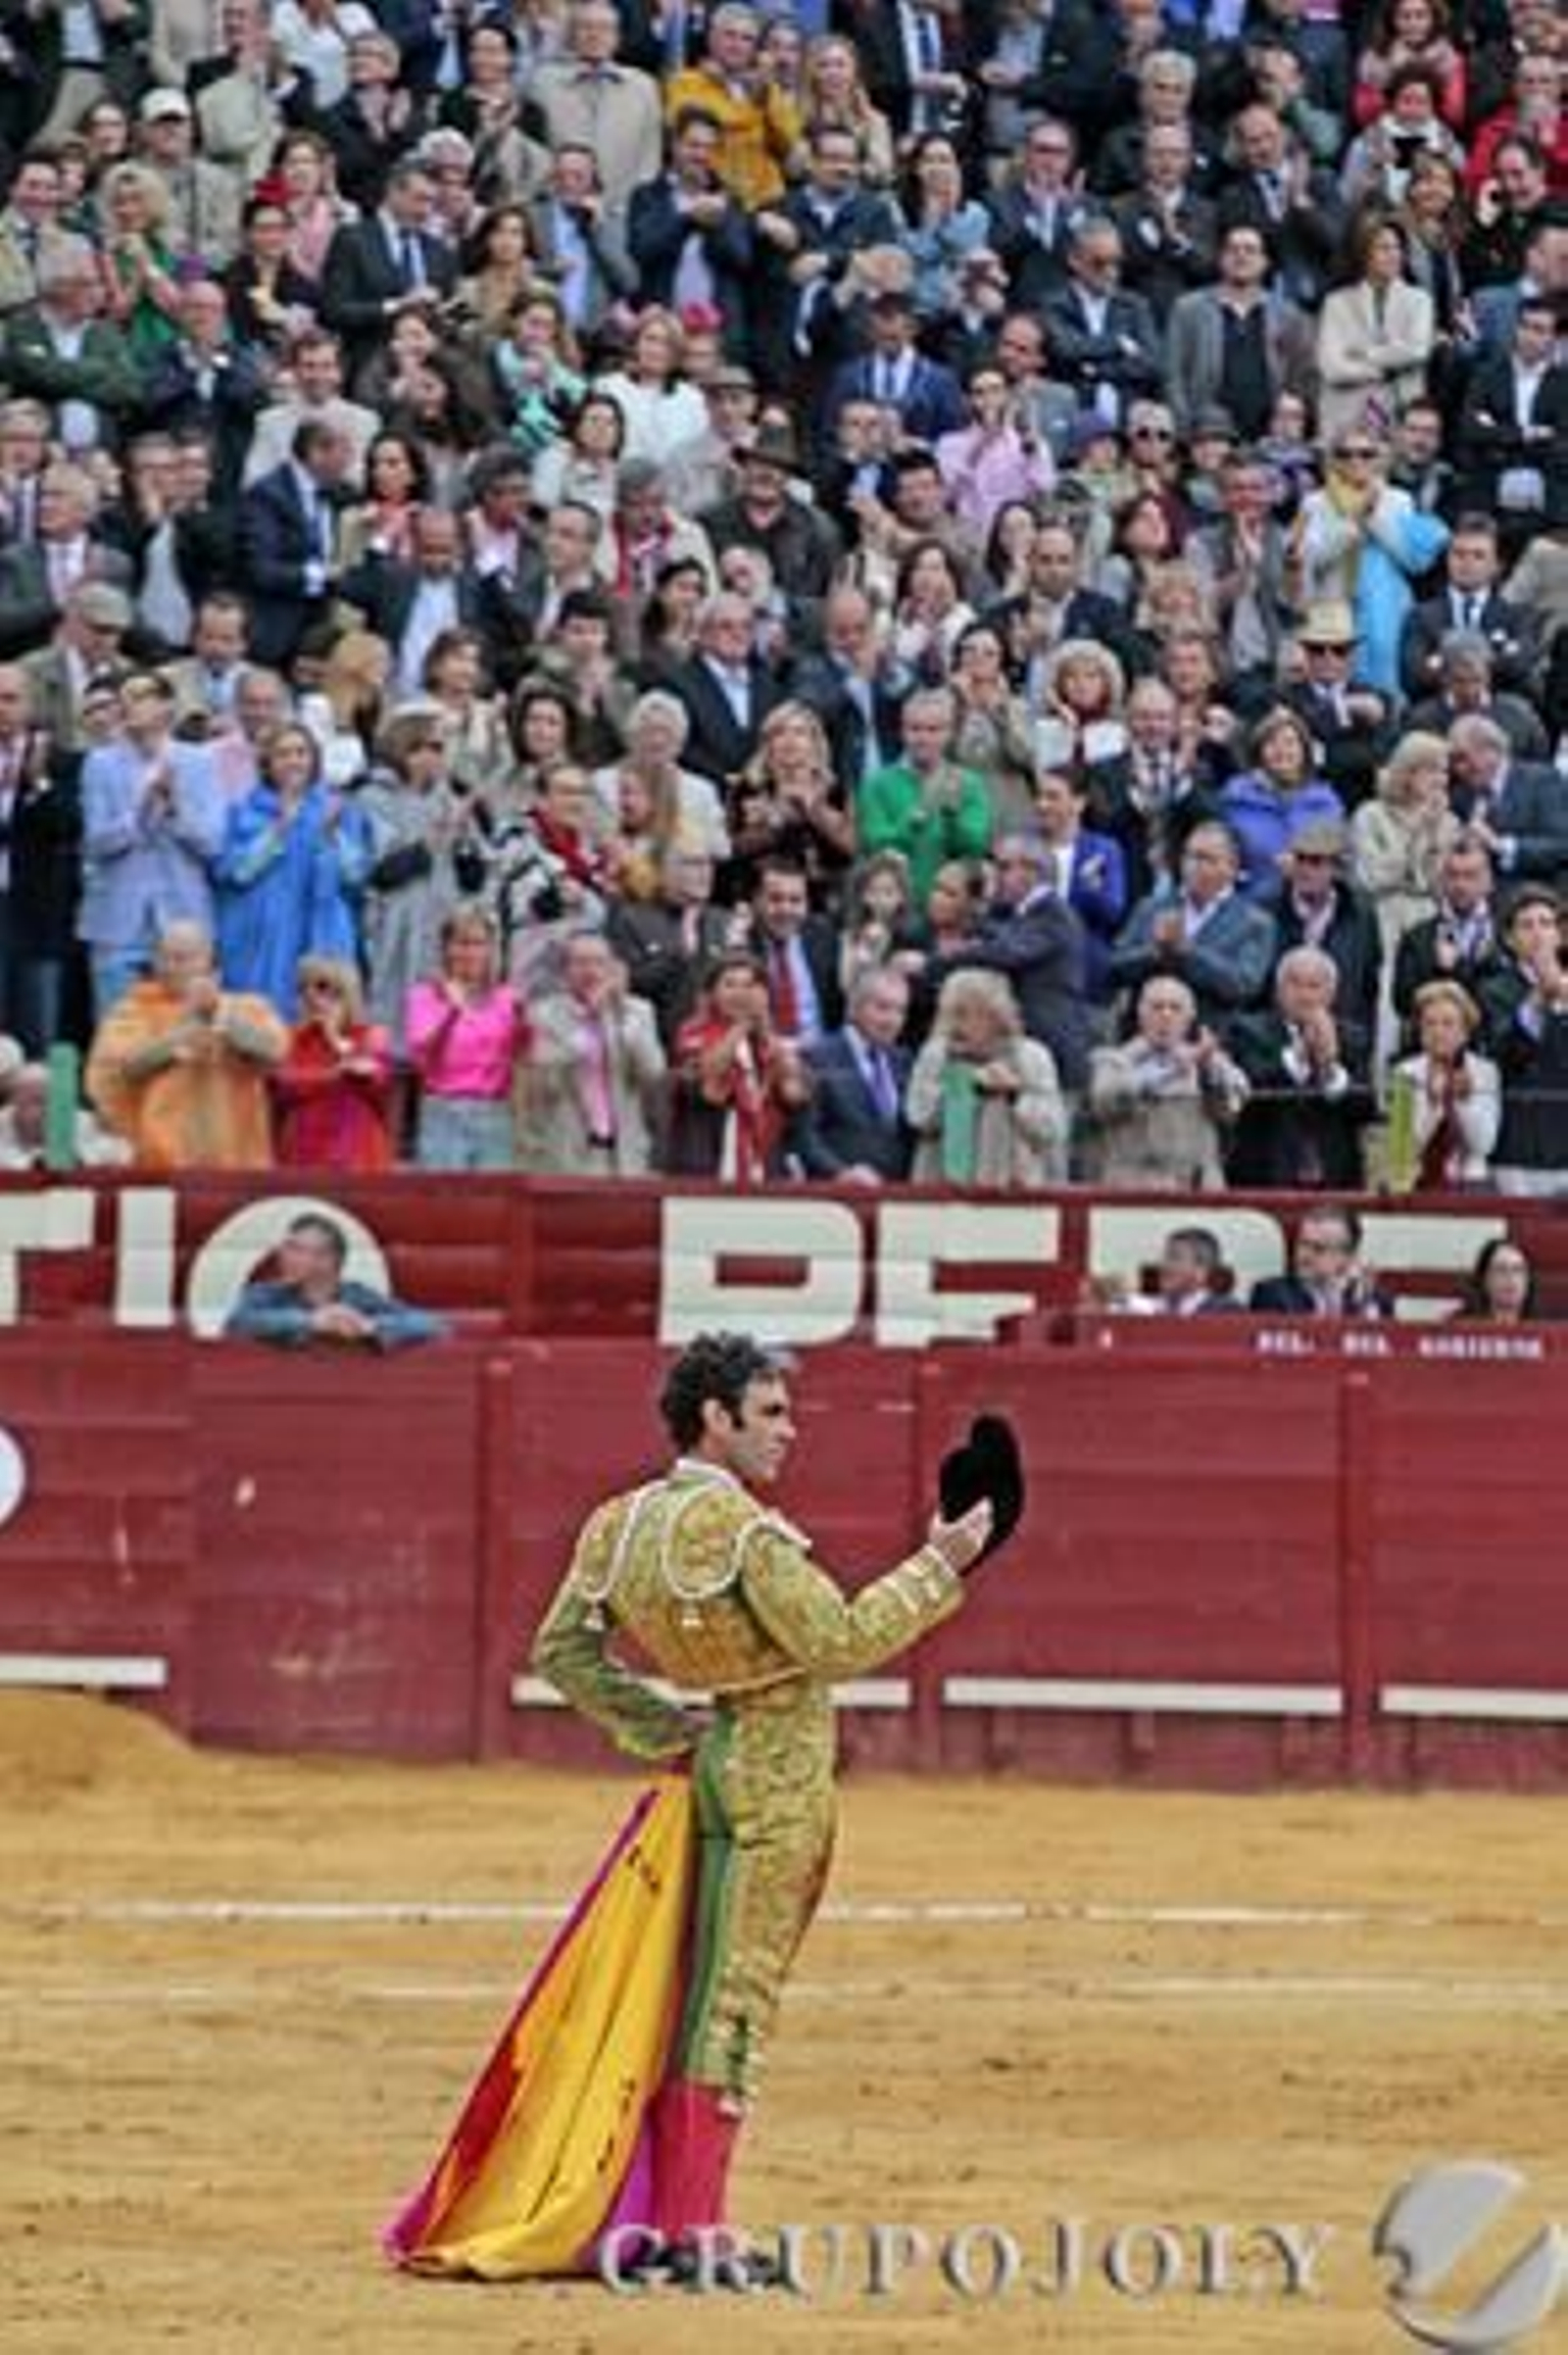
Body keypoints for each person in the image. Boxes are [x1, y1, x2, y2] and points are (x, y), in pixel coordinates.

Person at [388, 1333, 1003, 2282]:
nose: (788, 1433)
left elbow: (563, 1651)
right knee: (736, 1999)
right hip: (778, 1770)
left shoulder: (618, 1524)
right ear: (713, 1418)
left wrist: (664, 1731)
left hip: (710, 1761)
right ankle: (694, 2233)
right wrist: (943, 1561)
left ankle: (675, 2222)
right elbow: (838, 1642)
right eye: (769, 1414)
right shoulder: (747, 1534)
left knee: (695, 1994)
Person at [85, 919, 286, 1169]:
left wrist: (220, 1016)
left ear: (210, 965)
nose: (171, 967)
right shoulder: (131, 1010)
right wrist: (182, 1035)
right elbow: (124, 1069)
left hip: (237, 1163)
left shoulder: (247, 1007)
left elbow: (277, 1051)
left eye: (182, 959)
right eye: (163, 957)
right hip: (162, 1165)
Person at [516, 930, 668, 1176]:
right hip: (566, 1152)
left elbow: (653, 1071)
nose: (591, 971)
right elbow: (544, 1081)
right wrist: (585, 1020)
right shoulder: (542, 1015)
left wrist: (623, 1018)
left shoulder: (638, 1011)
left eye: (599, 962)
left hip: (625, 1155)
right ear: (565, 971)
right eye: (581, 962)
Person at [906, 967, 1068, 1187]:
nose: (952, 1024)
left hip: (1016, 1196)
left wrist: (1014, 1095)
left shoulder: (1032, 1056)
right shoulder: (935, 1054)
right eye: (948, 1013)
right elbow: (919, 1116)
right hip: (943, 1194)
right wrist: (967, 1087)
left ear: (995, 1016)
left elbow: (1051, 1129)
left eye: (963, 1013)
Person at [1087, 973, 1249, 1190]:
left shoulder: (1208, 1060)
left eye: (1175, 1008)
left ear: (1190, 1016)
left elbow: (1234, 1106)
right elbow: (1105, 1103)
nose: (1166, 1015)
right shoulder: (1111, 1060)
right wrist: (1170, 1072)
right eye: (1157, 1007)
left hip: (1198, 1187)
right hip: (1133, 1188)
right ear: (1140, 1014)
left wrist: (1208, 1070)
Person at [225, 1212, 449, 1349]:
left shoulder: (357, 1297)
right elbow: (237, 1322)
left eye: (297, 1249)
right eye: (288, 1247)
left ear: (328, 1261)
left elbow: (433, 1325)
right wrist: (313, 1321)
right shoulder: (266, 1293)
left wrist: (369, 1326)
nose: (284, 1256)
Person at [270, 955, 397, 1172]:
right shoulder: (292, 1039)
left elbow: (378, 1083)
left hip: (356, 1156)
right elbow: (283, 1085)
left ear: (345, 994)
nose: (311, 996)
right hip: (302, 1155)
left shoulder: (370, 1035)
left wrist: (334, 1040)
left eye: (322, 987)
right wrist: (335, 1075)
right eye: (302, 988)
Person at [1249, 1203, 1393, 1317]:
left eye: (1318, 1248)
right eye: (1303, 1244)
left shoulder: (1374, 1299)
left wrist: (1360, 1301)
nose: (1304, 1255)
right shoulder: (1271, 1294)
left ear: (1348, 1257)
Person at [1460, 1236, 1540, 1323]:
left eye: (1517, 1270)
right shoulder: (1460, 1327)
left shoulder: (1545, 1328)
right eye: (1501, 1269)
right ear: (1484, 1279)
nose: (1510, 1277)